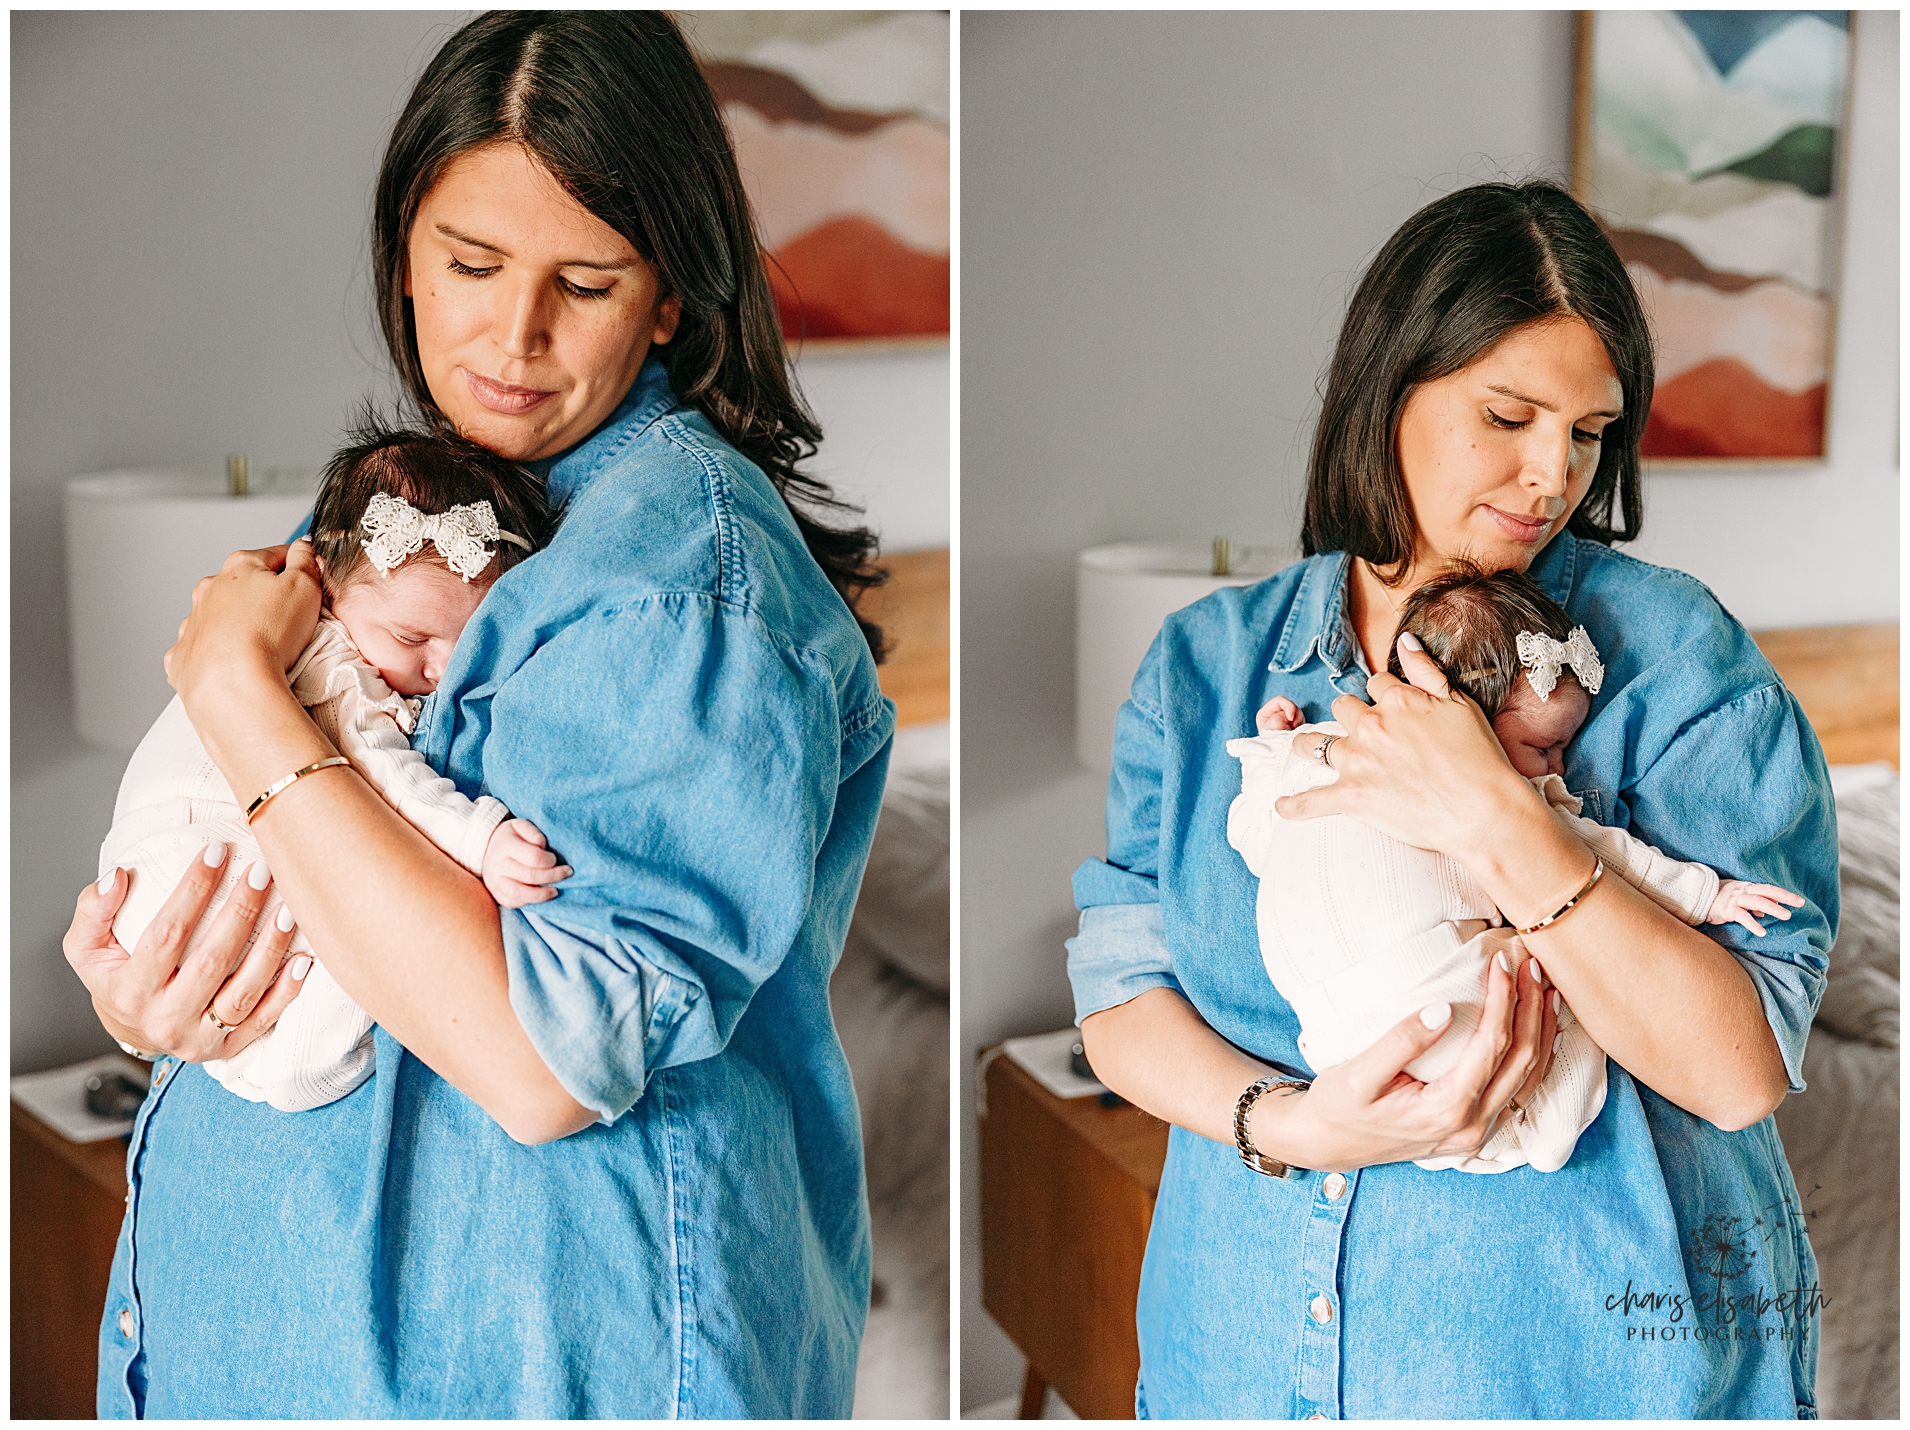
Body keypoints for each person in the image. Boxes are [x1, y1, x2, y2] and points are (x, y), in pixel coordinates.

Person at [63, 13, 892, 1418]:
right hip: (266, 1340)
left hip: (522, 1367)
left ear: (672, 296)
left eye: (584, 278)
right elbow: (299, 854)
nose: (512, 336)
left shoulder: (681, 589)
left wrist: (232, 687)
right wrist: (148, 985)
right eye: (468, 264)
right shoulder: (428, 511)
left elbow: (542, 1057)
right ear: (403, 252)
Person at [1069, 180, 1833, 1417]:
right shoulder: (1208, 666)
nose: (1550, 476)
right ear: (1389, 391)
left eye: (1587, 432)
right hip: (1240, 1361)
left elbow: (1740, 1068)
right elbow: (1118, 993)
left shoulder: (1672, 658)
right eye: (1509, 414)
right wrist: (1295, 1124)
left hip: (1578, 1377)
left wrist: (1497, 816)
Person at [1228, 561, 1805, 1175]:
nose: (1555, 765)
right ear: (1461, 720)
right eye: (1541, 747)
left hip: (1332, 1043)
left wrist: (1270, 753)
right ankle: (1547, 1133)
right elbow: (1609, 854)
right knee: (1555, 982)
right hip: (1441, 1002)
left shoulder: (1323, 752)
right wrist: (1706, 897)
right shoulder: (1487, 784)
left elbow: (1256, 834)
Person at [98, 424, 570, 1113]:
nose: (439, 670)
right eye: (412, 638)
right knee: (308, 1048)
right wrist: (482, 839)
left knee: (286, 1061)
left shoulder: (339, 596)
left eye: (463, 645)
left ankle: (265, 1068)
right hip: (193, 861)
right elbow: (380, 775)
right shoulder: (334, 661)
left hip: (146, 882)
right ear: (325, 596)